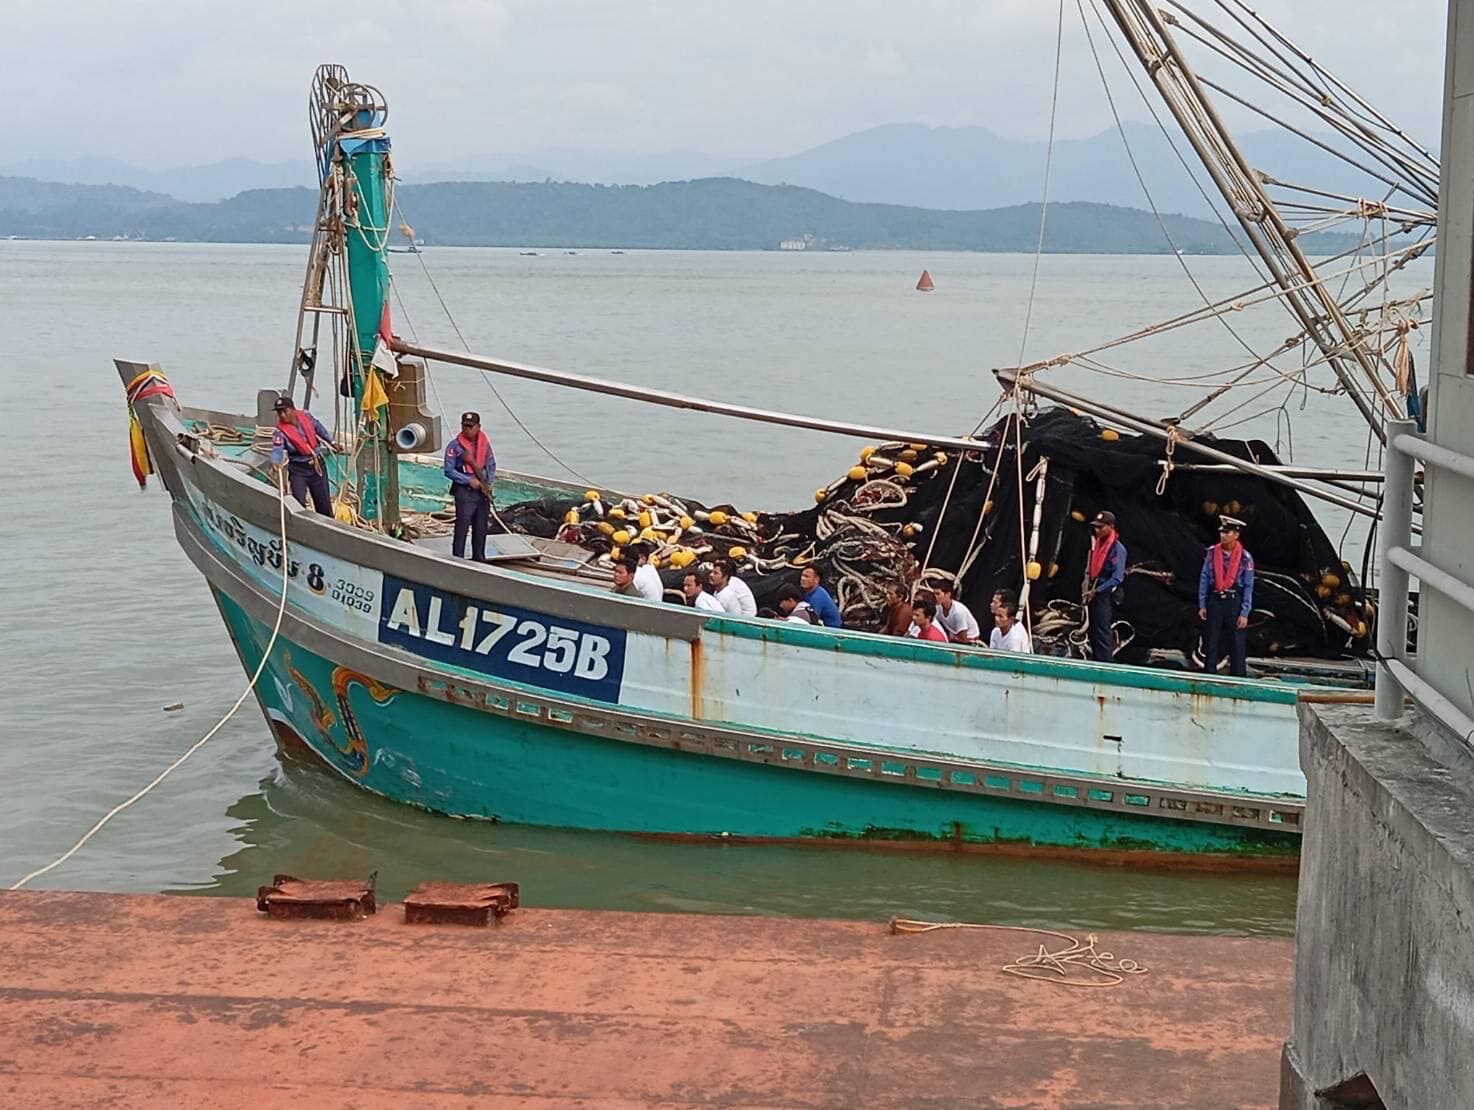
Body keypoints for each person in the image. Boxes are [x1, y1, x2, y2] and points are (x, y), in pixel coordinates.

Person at [1198, 515, 1256, 677]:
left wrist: (1245, 612)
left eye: (1227, 532)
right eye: (1222, 532)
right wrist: (1202, 603)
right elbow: (1204, 578)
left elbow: (1248, 586)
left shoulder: (1245, 558)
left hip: (1233, 599)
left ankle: (1238, 676)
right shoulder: (1211, 553)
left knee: (1237, 642)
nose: (1223, 535)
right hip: (1216, 599)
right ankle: (1208, 674)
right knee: (1211, 639)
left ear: (1236, 535)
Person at [268, 395, 336, 516]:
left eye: (285, 411)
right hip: (299, 469)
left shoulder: (306, 416)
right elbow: (277, 449)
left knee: (324, 505)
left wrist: (332, 442)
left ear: (293, 409)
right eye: (279, 412)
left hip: (316, 466)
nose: (282, 415)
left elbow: (319, 428)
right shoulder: (280, 432)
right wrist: (275, 462)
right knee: (298, 504)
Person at [443, 411, 496, 562]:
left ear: (478, 427)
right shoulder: (455, 447)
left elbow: (491, 464)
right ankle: (458, 559)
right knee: (462, 526)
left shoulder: (484, 444)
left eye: (471, 427)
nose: (468, 430)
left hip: (482, 492)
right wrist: (467, 480)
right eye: (465, 426)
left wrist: (490, 482)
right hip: (465, 492)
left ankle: (479, 558)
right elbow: (448, 470)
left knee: (481, 528)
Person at [1084, 510, 1127, 663]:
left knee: (1102, 630)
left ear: (1111, 527)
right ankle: (1096, 659)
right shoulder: (1099, 544)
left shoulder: (1117, 549)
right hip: (1094, 589)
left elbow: (1117, 577)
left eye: (1101, 527)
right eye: (1096, 527)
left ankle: (1105, 662)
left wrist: (1098, 590)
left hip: (1105, 593)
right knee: (1094, 629)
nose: (1097, 530)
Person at [933, 579, 981, 644]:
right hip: (953, 638)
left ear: (948, 594)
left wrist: (948, 637)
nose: (935, 597)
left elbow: (964, 639)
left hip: (969, 642)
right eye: (934, 594)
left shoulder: (958, 612)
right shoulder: (938, 607)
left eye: (938, 594)